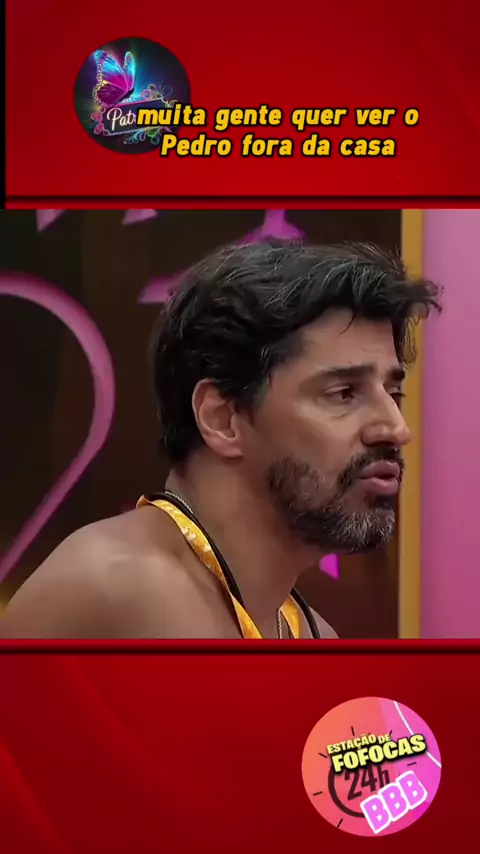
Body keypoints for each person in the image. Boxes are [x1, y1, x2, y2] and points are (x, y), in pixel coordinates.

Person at [0, 239, 441, 639]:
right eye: (344, 393)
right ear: (222, 418)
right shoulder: (110, 587)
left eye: (394, 393)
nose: (395, 428)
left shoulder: (312, 635)